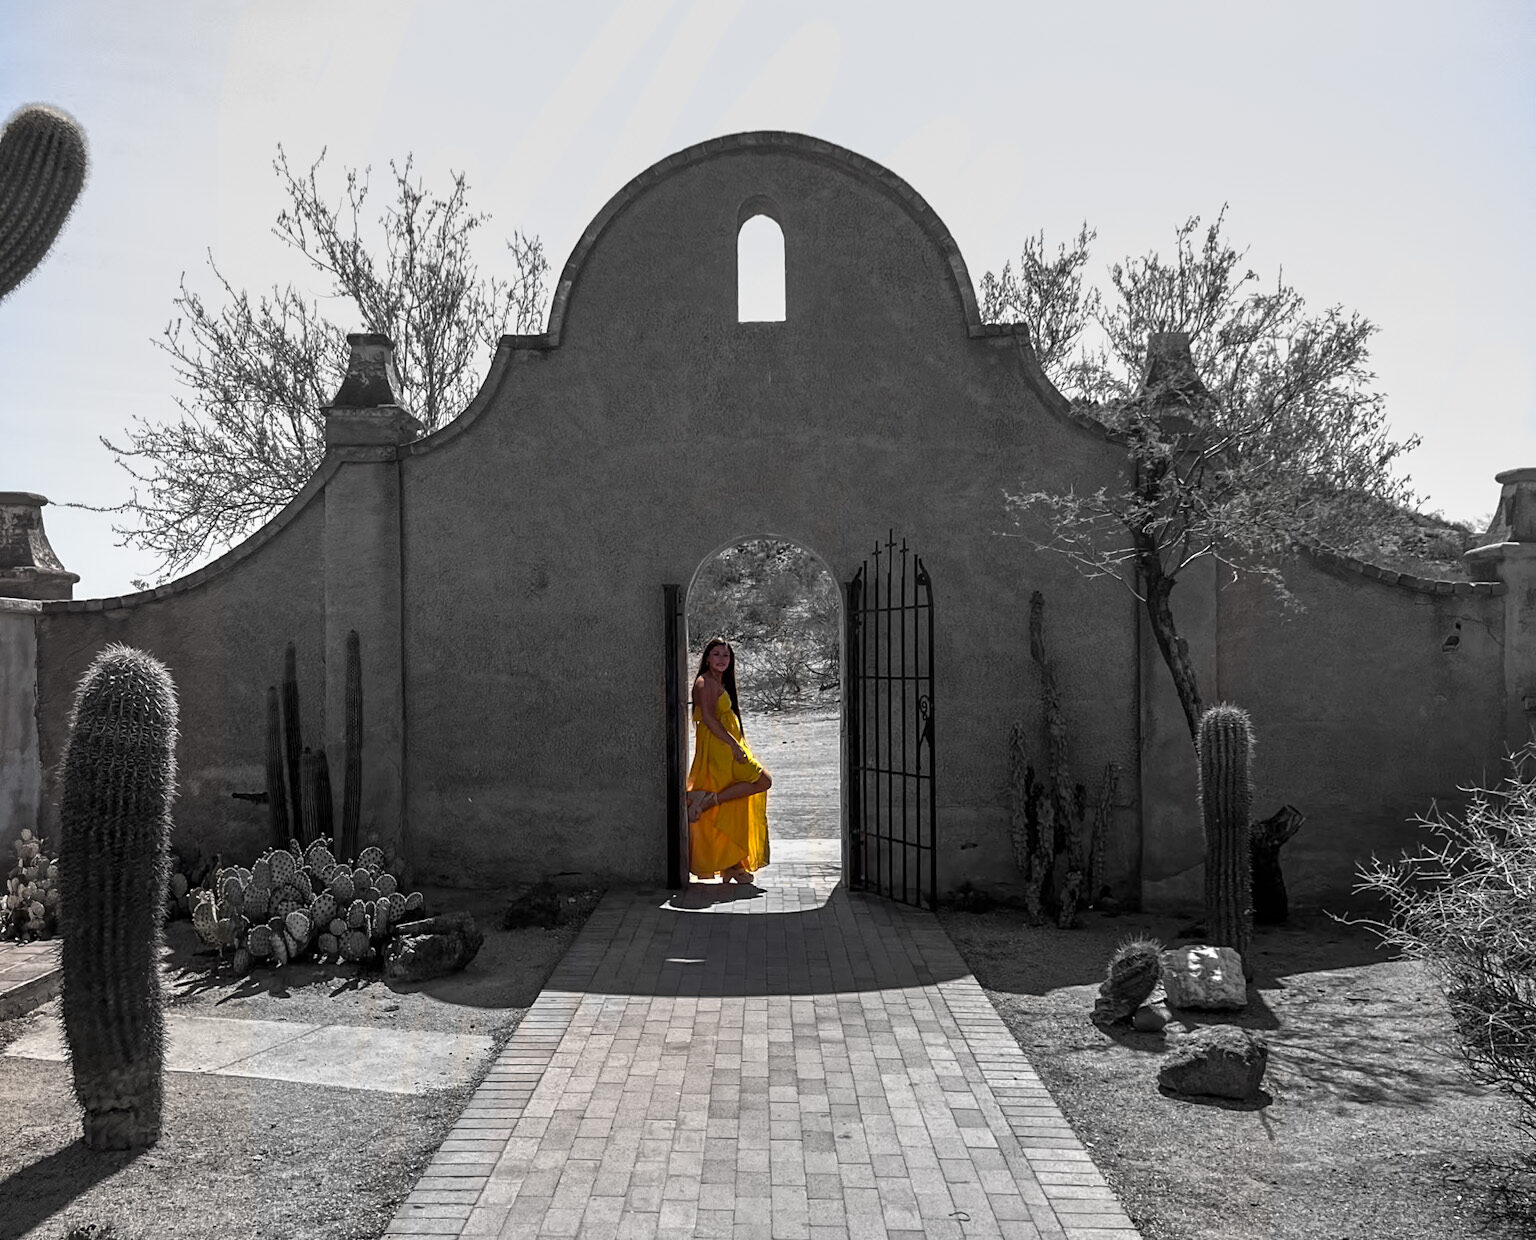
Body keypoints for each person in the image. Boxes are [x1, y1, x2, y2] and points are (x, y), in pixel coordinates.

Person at [685, 638, 771, 882]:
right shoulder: (704, 682)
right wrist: (733, 745)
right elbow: (710, 720)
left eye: (726, 655)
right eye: (716, 654)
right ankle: (712, 801)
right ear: (707, 658)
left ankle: (732, 864)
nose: (722, 659)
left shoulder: (720, 681)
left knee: (736, 803)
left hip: (728, 745)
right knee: (763, 781)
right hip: (720, 748)